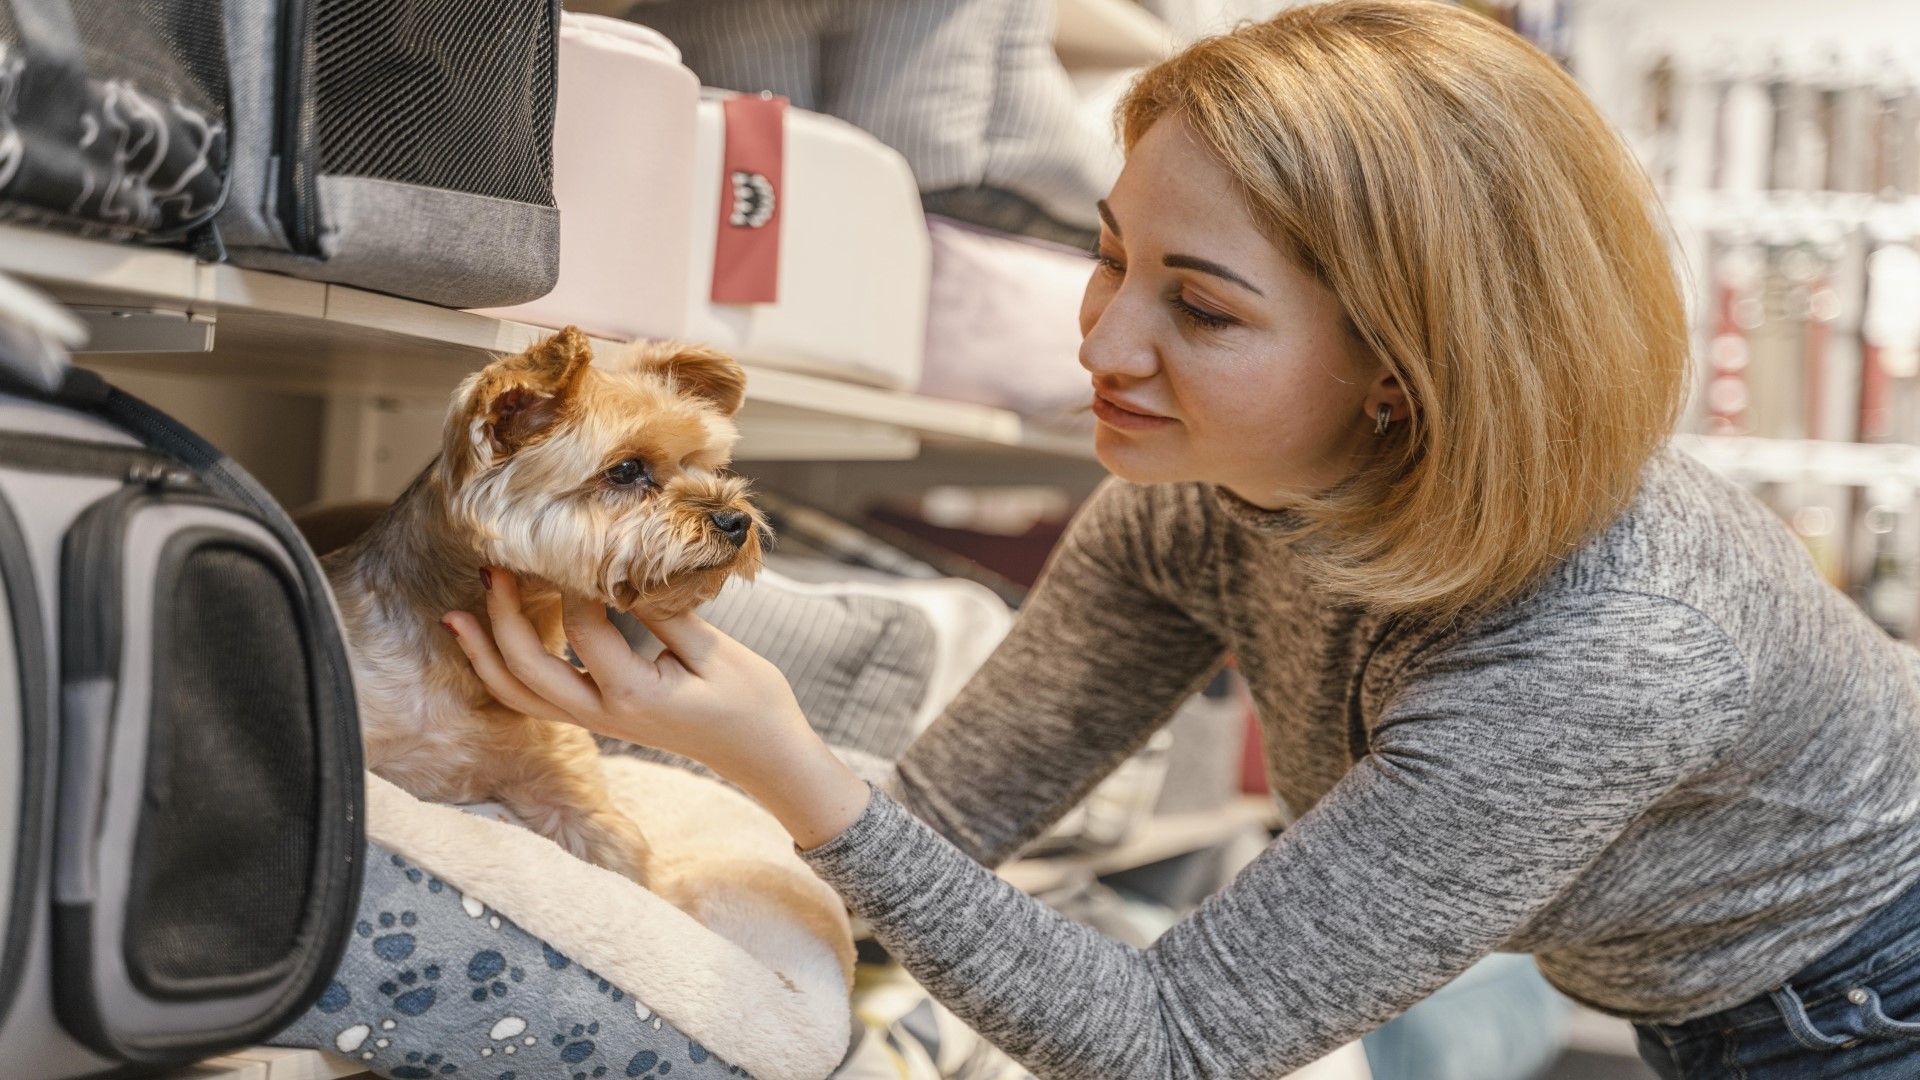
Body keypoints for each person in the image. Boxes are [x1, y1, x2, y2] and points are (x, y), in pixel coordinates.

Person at [439, 2, 1920, 1076]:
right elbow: (955, 810)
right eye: (1110, 255)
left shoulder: (1611, 645)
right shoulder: (1194, 501)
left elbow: (1176, 1044)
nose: (1102, 343)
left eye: (1200, 307)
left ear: (1406, 369)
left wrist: (785, 765)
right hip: (1703, 989)